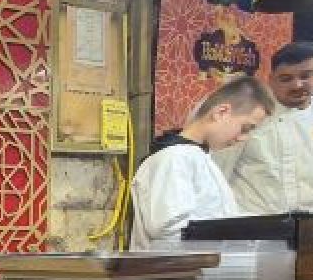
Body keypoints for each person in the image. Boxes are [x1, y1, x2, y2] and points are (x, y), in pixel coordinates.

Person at [130, 76, 275, 250]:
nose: (243, 138)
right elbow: (171, 231)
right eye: (245, 128)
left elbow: (221, 218)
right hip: (176, 274)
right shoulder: (174, 158)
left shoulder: (199, 157)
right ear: (221, 112)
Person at [215, 42, 313, 215]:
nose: (297, 85)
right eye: (286, 78)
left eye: (306, 76)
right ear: (271, 80)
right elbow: (216, 175)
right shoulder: (246, 115)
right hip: (252, 228)